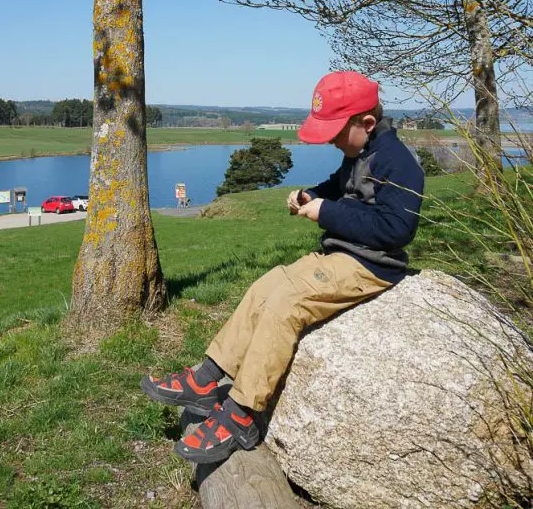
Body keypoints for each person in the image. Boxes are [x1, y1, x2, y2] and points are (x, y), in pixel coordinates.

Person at [141, 71, 424, 464]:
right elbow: (338, 187)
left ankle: (242, 415)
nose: (329, 141)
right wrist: (312, 195)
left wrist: (326, 212)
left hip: (370, 266)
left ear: (367, 123)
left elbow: (397, 229)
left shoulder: (399, 163)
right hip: (340, 255)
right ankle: (206, 379)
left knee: (284, 305)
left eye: (335, 133)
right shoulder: (358, 152)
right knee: (264, 286)